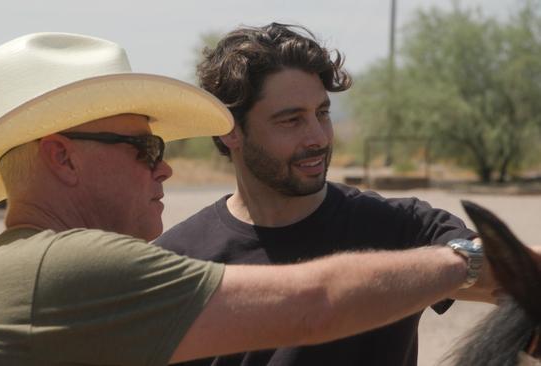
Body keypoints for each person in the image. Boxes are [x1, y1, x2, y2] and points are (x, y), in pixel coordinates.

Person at [0, 32, 497, 366]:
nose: (165, 165)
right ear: (62, 158)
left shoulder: (24, 270)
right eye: (144, 147)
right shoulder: (64, 269)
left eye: (323, 114)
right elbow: (317, 303)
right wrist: (462, 261)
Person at [155, 23, 503, 366]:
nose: (318, 137)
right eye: (291, 120)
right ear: (230, 130)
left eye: (322, 113)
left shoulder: (400, 227)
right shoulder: (176, 262)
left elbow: (504, 276)